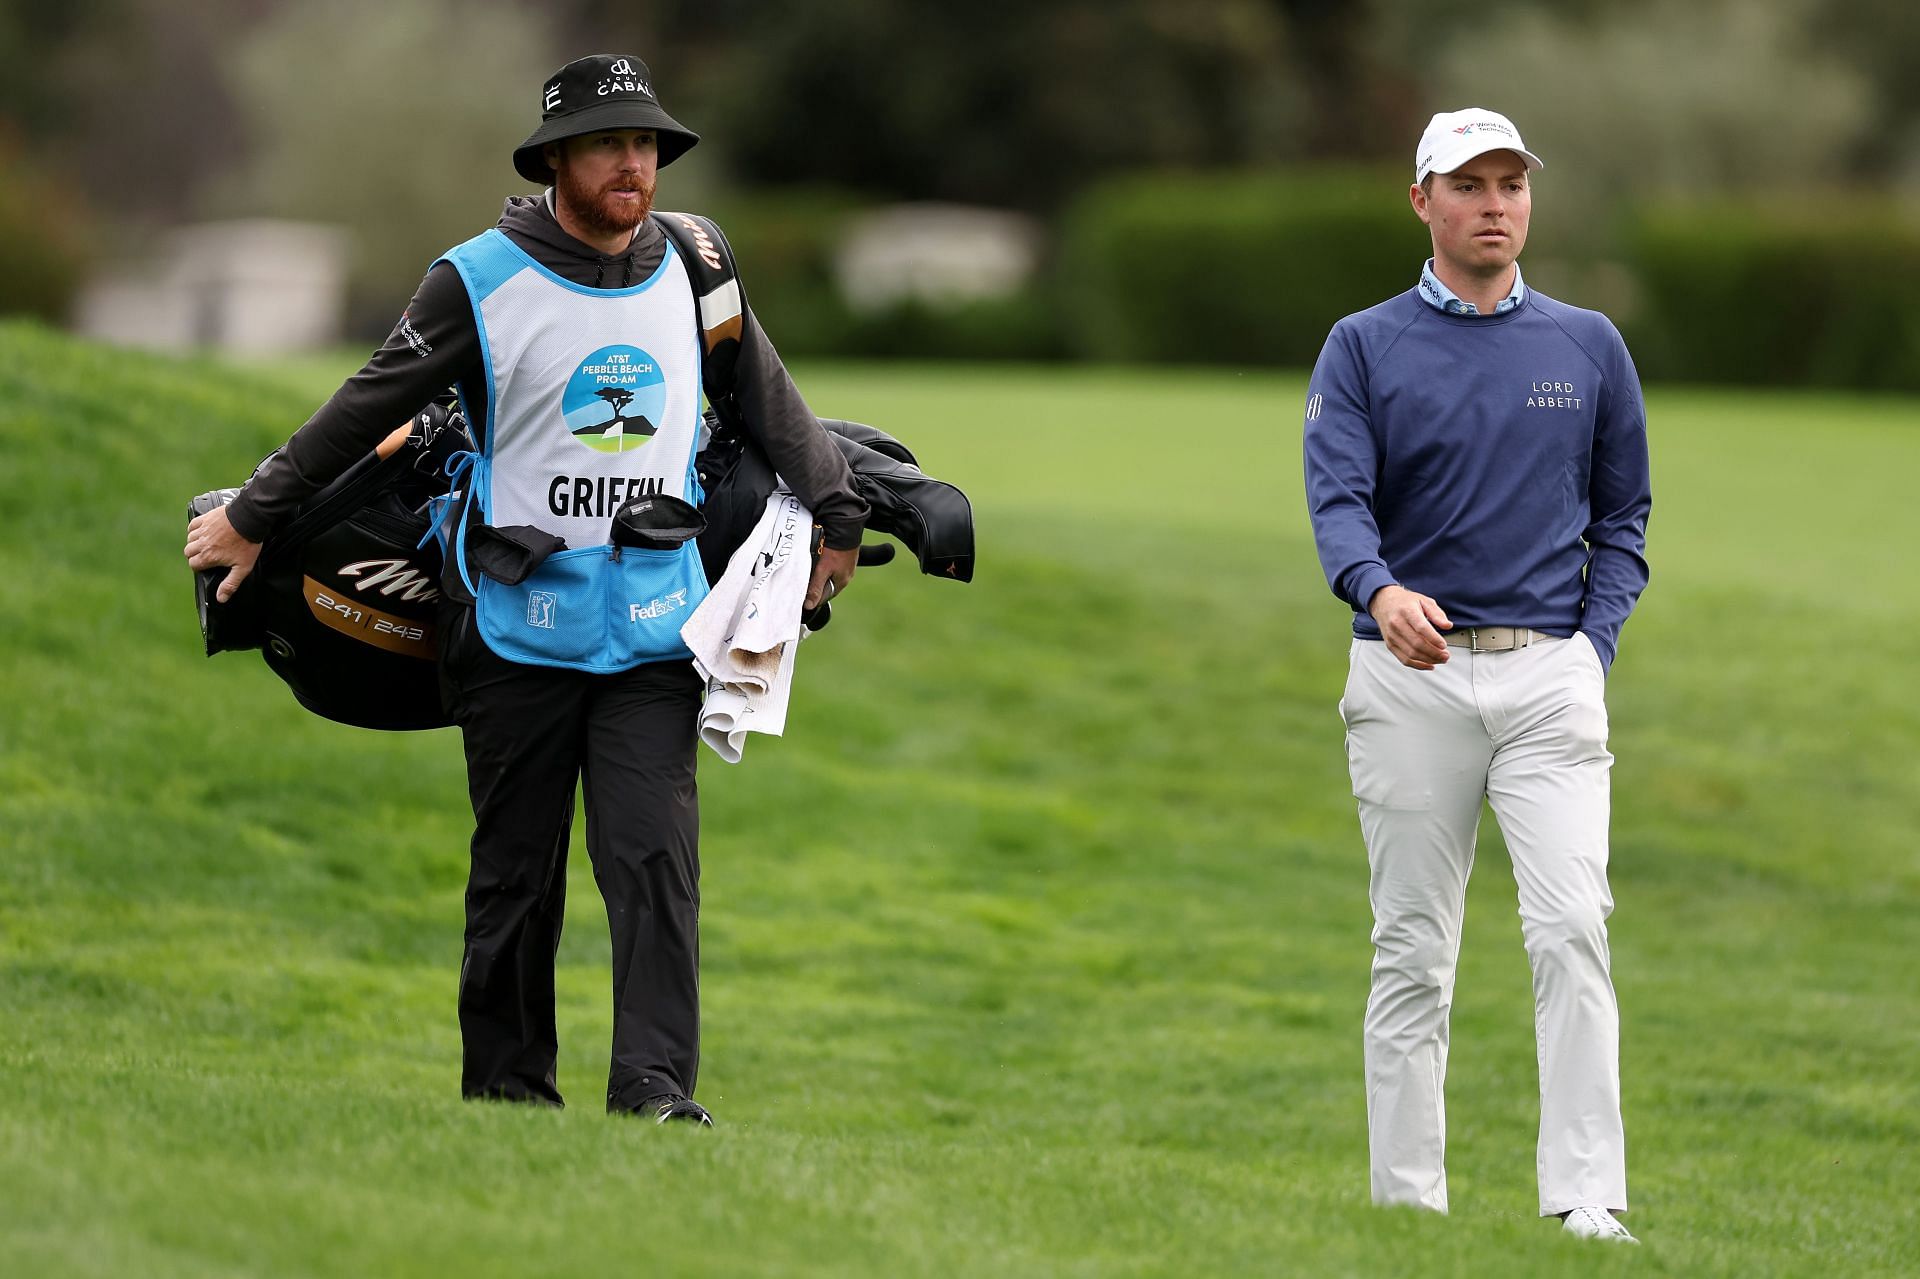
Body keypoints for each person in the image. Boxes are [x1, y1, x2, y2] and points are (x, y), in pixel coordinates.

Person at [184, 53, 869, 1126]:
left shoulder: (696, 264)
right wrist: (252, 516)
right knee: (516, 876)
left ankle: (653, 1093)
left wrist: (837, 509)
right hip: (510, 623)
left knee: (654, 864)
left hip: (653, 622)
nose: (634, 165)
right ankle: (507, 1097)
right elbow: (366, 408)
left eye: (646, 145)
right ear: (557, 159)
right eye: (610, 144)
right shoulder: (476, 277)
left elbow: (767, 396)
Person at [1301, 107, 1651, 1241]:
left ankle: (1587, 1198)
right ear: (1423, 202)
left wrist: (1589, 652)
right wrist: (1377, 588)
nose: (1495, 203)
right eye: (1470, 185)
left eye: (1511, 184)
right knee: (1413, 949)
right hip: (1408, 683)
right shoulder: (1362, 344)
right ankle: (1410, 1209)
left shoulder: (1589, 342)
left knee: (1572, 929)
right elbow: (1339, 500)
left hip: (1550, 676)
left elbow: (1624, 515)